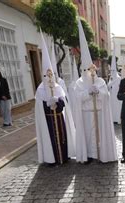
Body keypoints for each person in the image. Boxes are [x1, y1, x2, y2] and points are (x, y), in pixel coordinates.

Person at [72, 18, 117, 163]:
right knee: (88, 135)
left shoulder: (100, 81)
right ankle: (89, 156)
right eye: (87, 69)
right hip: (86, 114)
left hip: (99, 113)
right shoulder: (79, 83)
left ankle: (100, 154)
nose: (90, 72)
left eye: (92, 69)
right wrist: (87, 92)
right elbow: (77, 98)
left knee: (100, 136)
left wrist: (98, 92)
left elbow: (106, 96)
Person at [35, 31, 76, 165]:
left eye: (51, 75)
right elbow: (39, 108)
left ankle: (64, 156)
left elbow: (64, 101)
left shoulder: (58, 86)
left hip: (58, 117)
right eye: (47, 76)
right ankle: (52, 158)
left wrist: (57, 101)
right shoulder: (40, 89)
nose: (49, 78)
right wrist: (47, 103)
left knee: (62, 138)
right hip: (47, 120)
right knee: (51, 138)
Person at [107, 53, 122, 124]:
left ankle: (118, 119)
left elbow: (120, 86)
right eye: (111, 71)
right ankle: (113, 119)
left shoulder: (118, 78)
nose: (112, 72)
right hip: (112, 96)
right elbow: (108, 86)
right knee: (112, 108)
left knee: (117, 108)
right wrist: (111, 82)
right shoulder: (111, 78)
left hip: (117, 96)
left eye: (113, 71)